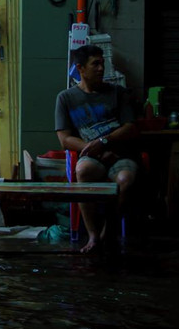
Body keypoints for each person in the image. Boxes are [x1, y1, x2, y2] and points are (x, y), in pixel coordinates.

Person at [55, 44, 140, 253]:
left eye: (102, 64)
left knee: (125, 181)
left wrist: (105, 142)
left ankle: (107, 232)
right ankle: (93, 235)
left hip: (120, 154)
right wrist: (93, 148)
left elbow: (130, 127)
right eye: (96, 64)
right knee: (83, 171)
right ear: (81, 69)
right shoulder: (65, 98)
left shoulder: (118, 93)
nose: (101, 69)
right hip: (91, 156)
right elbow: (65, 139)